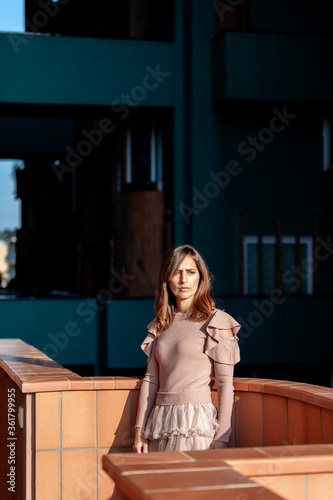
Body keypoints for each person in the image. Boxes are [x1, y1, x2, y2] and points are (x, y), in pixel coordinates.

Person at [133, 244, 241, 453]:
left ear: (200, 278)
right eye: (177, 272)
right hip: (159, 423)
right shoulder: (161, 323)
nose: (183, 280)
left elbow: (226, 384)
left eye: (190, 272)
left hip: (195, 422)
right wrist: (139, 430)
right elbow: (151, 379)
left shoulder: (217, 321)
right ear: (167, 279)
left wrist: (222, 438)